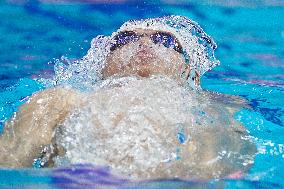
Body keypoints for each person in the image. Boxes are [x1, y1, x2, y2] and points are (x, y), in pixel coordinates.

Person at [0, 16, 256, 180]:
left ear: (189, 72)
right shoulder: (62, 99)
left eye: (165, 40)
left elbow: (220, 170)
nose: (144, 44)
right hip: (75, 179)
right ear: (101, 66)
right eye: (123, 40)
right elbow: (7, 165)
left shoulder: (212, 106)